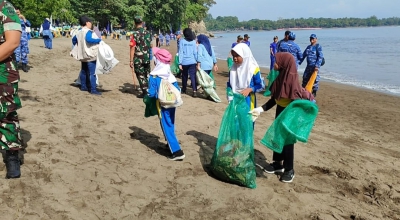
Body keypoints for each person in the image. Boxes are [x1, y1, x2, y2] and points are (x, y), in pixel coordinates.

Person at [249, 52, 314, 183]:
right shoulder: (279, 79)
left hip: (290, 114)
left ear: (284, 64)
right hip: (280, 111)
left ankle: (289, 169)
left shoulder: (293, 85)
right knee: (277, 137)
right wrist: (261, 109)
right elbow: (275, 99)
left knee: (288, 142)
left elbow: (306, 99)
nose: (275, 64)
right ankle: (278, 163)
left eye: (277, 62)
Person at [0, 0, 25, 179]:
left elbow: (12, 42)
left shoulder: (4, 7)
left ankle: (12, 153)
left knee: (5, 113)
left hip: (2, 71)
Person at [147, 47, 185, 161]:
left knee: (166, 125)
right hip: (173, 103)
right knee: (171, 123)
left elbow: (152, 94)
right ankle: (170, 144)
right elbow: (177, 89)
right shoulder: (170, 75)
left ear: (157, 61)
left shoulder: (154, 76)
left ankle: (177, 151)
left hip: (162, 104)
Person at [227, 43, 264, 112]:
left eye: (237, 55)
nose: (235, 58)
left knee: (247, 120)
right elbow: (229, 84)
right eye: (233, 56)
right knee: (235, 121)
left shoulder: (253, 69)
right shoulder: (233, 69)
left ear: (245, 55)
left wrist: (250, 89)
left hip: (248, 101)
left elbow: (260, 85)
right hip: (235, 100)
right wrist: (230, 96)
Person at [72, 15, 102, 95]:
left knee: (83, 71)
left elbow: (74, 40)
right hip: (89, 55)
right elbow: (89, 39)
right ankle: (93, 89)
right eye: (90, 22)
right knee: (93, 72)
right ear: (87, 23)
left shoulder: (79, 32)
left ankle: (83, 86)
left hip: (82, 55)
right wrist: (99, 40)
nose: (91, 24)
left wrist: (79, 46)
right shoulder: (88, 31)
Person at [130, 16, 151, 98]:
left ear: (135, 23)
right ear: (142, 23)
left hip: (138, 58)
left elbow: (132, 47)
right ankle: (149, 89)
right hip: (147, 57)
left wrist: (131, 60)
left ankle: (145, 91)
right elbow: (150, 45)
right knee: (146, 74)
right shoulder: (148, 33)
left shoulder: (134, 34)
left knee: (140, 74)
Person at [178, 28, 198, 97]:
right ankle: (194, 91)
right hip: (192, 61)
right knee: (193, 76)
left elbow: (181, 52)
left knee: (184, 76)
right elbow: (195, 52)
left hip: (184, 62)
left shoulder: (182, 41)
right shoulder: (193, 42)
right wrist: (197, 61)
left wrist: (179, 63)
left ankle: (184, 89)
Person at [14, 8, 30, 72]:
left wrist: (24, 18)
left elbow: (29, 24)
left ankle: (24, 65)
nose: (17, 13)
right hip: (16, 36)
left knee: (24, 51)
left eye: (18, 12)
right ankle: (16, 65)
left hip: (23, 37)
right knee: (16, 51)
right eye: (16, 12)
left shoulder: (22, 18)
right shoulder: (13, 18)